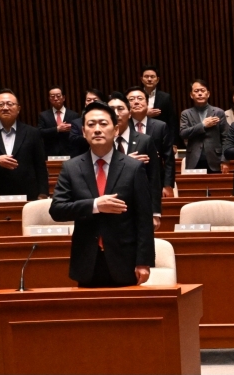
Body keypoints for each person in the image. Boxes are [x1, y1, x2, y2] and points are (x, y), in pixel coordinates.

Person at [50, 101, 154, 288]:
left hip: (125, 261)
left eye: (103, 124)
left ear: (115, 131)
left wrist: (143, 262)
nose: (97, 129)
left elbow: (144, 219)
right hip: (86, 261)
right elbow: (57, 210)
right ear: (83, 132)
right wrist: (95, 205)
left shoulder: (133, 168)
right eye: (91, 125)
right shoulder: (71, 168)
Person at [0, 89, 48, 202]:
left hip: (28, 193)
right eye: (0, 104)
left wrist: (43, 193)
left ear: (18, 108)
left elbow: (40, 166)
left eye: (10, 104)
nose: (5, 108)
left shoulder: (32, 133)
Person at [108, 93, 163, 227]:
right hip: (110, 204)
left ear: (130, 113)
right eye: (111, 110)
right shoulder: (101, 142)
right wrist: (126, 161)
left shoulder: (145, 140)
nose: (116, 113)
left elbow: (154, 178)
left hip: (139, 205)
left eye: (120, 108)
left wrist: (155, 213)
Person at [127, 86, 176, 197]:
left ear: (147, 102)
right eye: (131, 99)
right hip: (129, 181)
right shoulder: (122, 127)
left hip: (156, 181)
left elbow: (168, 158)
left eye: (140, 98)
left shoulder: (160, 126)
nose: (136, 102)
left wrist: (168, 185)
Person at [36, 86, 80, 157]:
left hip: (70, 152)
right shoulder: (43, 115)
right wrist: (57, 129)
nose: (55, 99)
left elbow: (78, 134)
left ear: (64, 98)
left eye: (58, 96)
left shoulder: (74, 115)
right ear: (49, 99)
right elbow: (39, 132)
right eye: (52, 96)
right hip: (50, 153)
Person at [140, 64, 178, 141]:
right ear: (141, 79)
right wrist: (145, 114)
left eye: (152, 77)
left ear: (157, 80)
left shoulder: (165, 97)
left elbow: (171, 122)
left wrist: (173, 143)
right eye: (146, 76)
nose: (149, 79)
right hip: (140, 135)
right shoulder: (135, 96)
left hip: (161, 137)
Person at [69, 89, 106, 157]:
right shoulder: (76, 122)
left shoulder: (108, 120)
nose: (92, 102)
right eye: (89, 100)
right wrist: (91, 136)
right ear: (85, 103)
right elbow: (73, 139)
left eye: (95, 100)